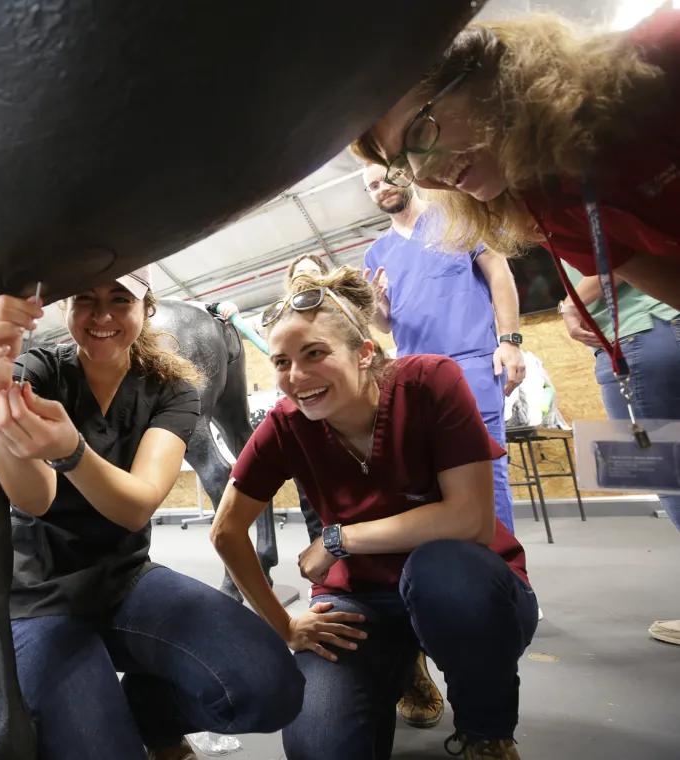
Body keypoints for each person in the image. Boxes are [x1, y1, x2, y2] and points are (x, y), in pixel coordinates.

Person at [0, 266, 305, 760]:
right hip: (41, 598)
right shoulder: (37, 372)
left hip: (125, 581)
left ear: (147, 310)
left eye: (120, 300)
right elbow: (34, 498)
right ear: (66, 309)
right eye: (85, 298)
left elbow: (137, 505)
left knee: (271, 686)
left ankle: (152, 713)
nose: (102, 314)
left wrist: (72, 451)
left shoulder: (172, 390)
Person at [210, 267, 537, 760]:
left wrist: (338, 539)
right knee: (319, 744)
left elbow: (469, 520)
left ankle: (486, 733)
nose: (296, 377)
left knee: (442, 570)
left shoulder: (430, 382)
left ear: (364, 353)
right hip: (359, 602)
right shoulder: (285, 425)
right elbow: (227, 530)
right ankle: (403, 666)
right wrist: (285, 626)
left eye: (314, 354)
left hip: (468, 591)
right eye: (281, 362)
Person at [350, 8, 680, 311]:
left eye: (420, 131)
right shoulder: (541, 212)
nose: (422, 172)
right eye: (403, 164)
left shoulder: (663, 55)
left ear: (486, 76)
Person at [360, 162, 524, 535]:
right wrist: (376, 305)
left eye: (386, 178)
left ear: (405, 174)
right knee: (430, 479)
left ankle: (506, 575)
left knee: (486, 472)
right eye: (371, 187)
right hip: (415, 380)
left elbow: (499, 271)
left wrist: (510, 340)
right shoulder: (376, 254)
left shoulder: (457, 217)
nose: (381, 188)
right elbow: (386, 324)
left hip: (473, 366)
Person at [559, 262, 680, 646]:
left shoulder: (573, 205)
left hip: (638, 337)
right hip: (665, 326)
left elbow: (623, 255)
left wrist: (570, 305)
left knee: (670, 478)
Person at [207, 251, 331, 544]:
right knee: (310, 494)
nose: (305, 278)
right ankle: (324, 566)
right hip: (303, 413)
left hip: (337, 412)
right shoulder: (280, 318)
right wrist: (229, 311)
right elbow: (257, 334)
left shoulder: (339, 311)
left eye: (312, 272)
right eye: (299, 274)